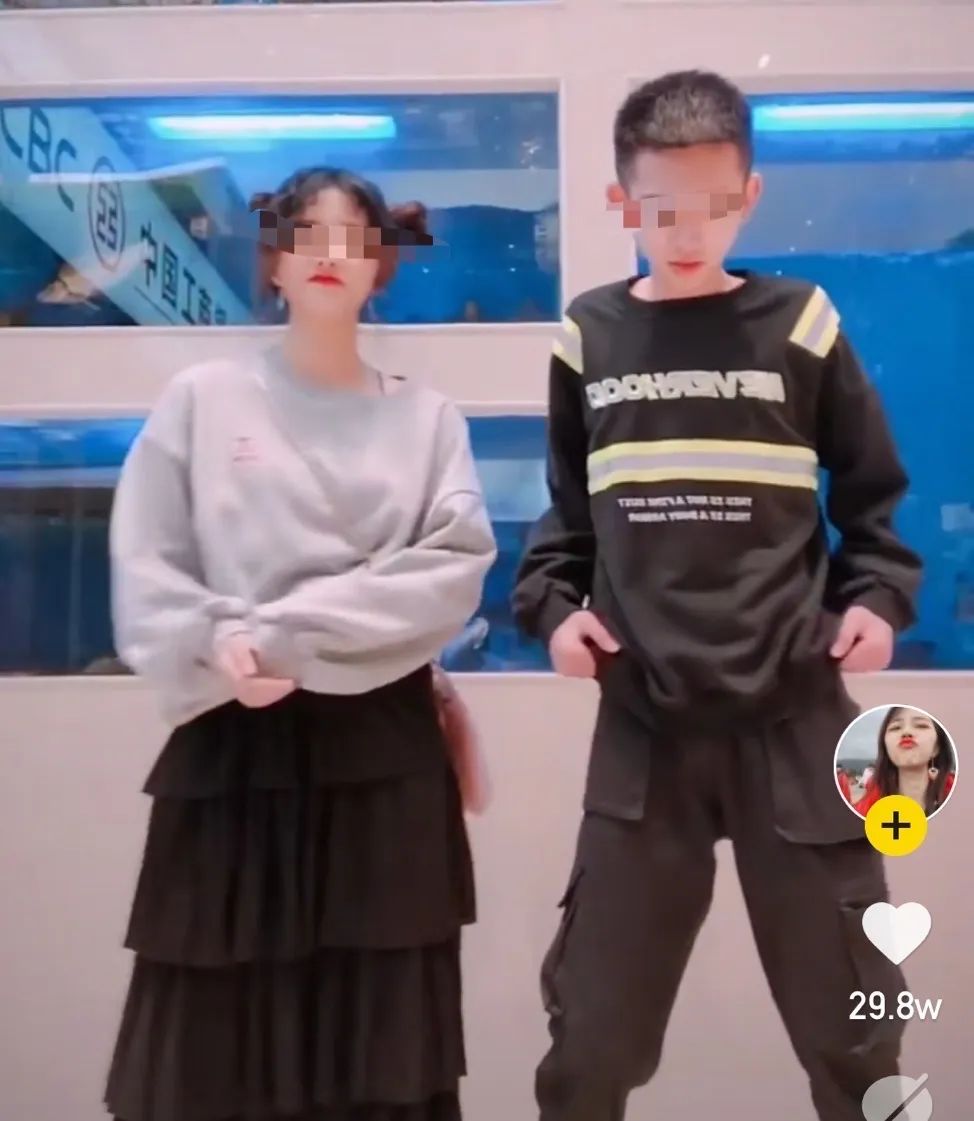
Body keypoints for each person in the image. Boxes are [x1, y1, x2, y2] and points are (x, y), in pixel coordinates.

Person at [511, 71, 923, 1121]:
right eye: (658, 206)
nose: (684, 229)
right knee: (589, 1042)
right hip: (644, 724)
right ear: (620, 202)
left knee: (856, 1035)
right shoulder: (589, 335)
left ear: (749, 195)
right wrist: (556, 612)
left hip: (795, 717)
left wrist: (875, 597)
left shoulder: (800, 324)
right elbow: (564, 520)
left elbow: (873, 494)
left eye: (709, 204)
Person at [104, 166, 497, 1121]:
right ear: (275, 261)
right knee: (216, 1044)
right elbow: (149, 560)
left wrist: (279, 633)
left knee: (379, 1044)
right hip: (236, 745)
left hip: (386, 751)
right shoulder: (201, 399)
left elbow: (451, 571)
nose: (329, 255)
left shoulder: (427, 418)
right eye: (308, 235)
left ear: (380, 266)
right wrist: (218, 641)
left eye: (353, 237)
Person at [851, 706, 956, 817]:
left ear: (937, 747)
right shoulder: (861, 815)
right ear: (885, 746)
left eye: (921, 726)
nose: (906, 732)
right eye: (896, 728)